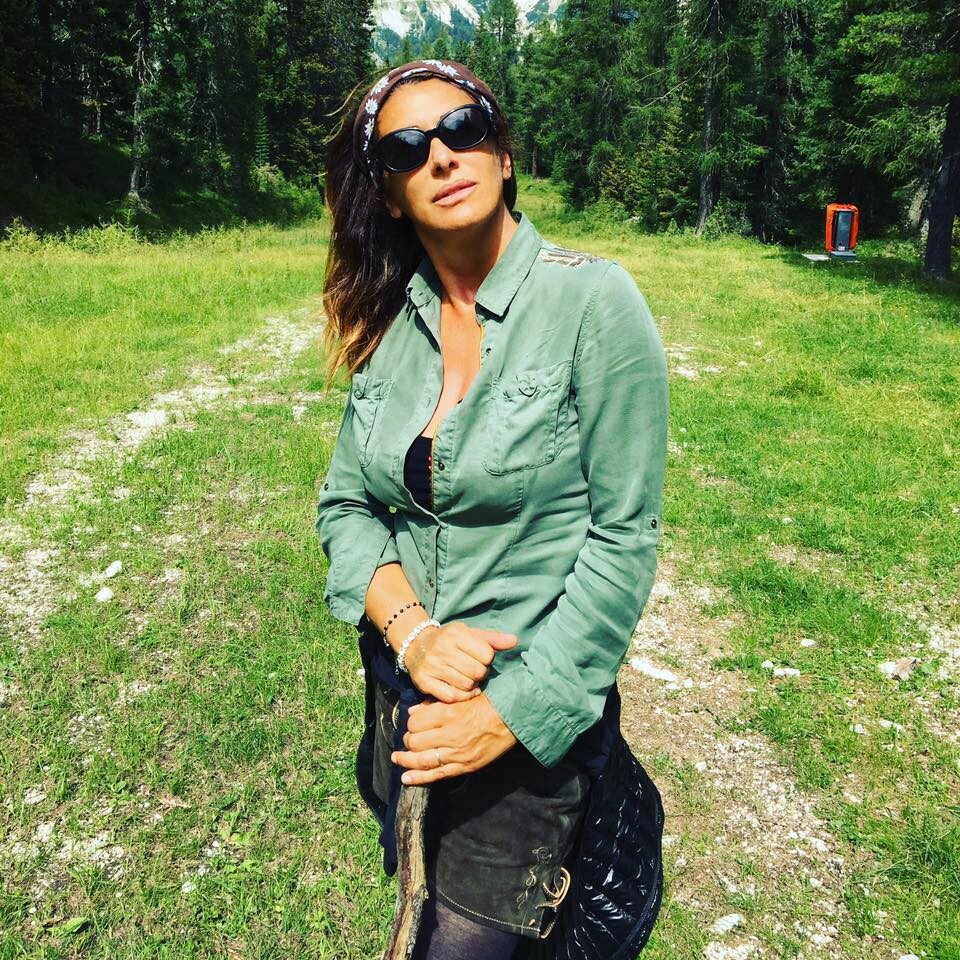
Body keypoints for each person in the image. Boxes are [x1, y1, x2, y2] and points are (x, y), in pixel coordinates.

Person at [315, 58, 668, 960]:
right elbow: (347, 504)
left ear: (503, 154)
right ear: (389, 195)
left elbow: (623, 540)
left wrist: (512, 713)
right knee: (412, 894)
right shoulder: (390, 325)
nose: (441, 155)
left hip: (523, 735)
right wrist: (414, 636)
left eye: (462, 130)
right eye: (406, 149)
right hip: (404, 702)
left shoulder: (594, 303)